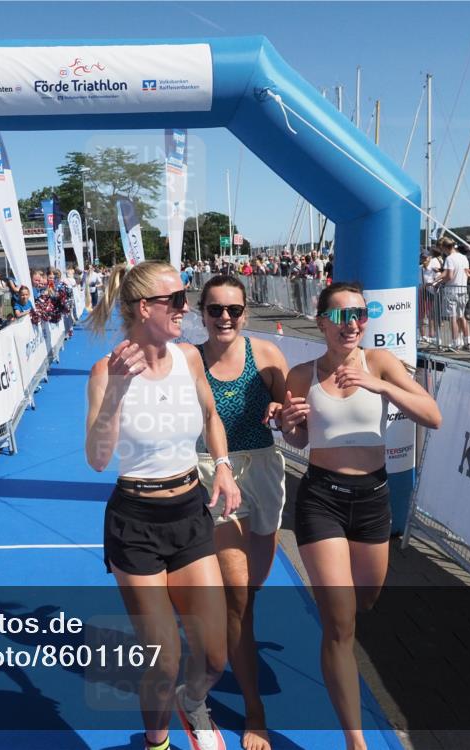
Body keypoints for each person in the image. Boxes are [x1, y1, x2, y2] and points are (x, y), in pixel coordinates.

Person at [85, 260, 240, 750]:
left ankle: (192, 702)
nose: (185, 308)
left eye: (184, 297)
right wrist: (117, 392)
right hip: (136, 523)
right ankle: (158, 742)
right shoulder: (105, 371)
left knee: (214, 657)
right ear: (141, 308)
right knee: (164, 659)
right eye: (175, 300)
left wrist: (222, 465)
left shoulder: (189, 358)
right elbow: (97, 459)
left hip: (190, 514)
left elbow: (211, 417)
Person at [280, 282, 440, 750]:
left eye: (360, 315)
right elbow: (297, 440)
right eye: (341, 315)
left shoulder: (381, 363)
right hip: (321, 500)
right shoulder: (302, 374)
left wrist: (381, 385)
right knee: (340, 623)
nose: (352, 324)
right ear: (322, 321)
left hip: (372, 499)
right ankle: (356, 740)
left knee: (365, 599)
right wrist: (289, 425)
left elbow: (433, 416)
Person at [195, 275, 289, 750]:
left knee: (253, 588)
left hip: (265, 471)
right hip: (212, 471)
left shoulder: (267, 355)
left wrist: (281, 409)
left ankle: (221, 635)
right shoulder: (190, 359)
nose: (225, 317)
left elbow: (293, 421)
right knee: (239, 598)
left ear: (245, 312)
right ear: (202, 313)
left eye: (233, 309)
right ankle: (255, 712)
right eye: (215, 309)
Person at [434, 236, 470, 350]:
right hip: (463, 290)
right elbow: (466, 273)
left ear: (444, 247)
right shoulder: (463, 257)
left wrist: (437, 282)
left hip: (451, 290)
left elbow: (449, 275)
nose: (442, 252)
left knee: (452, 318)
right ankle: (467, 340)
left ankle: (455, 342)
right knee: (462, 316)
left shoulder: (449, 258)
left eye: (441, 249)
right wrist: (437, 280)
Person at [418, 251, 441, 345]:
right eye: (422, 257)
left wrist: (433, 284)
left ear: (430, 258)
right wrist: (422, 286)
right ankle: (423, 336)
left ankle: (432, 335)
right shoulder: (419, 268)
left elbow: (439, 279)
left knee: (431, 314)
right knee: (421, 314)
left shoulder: (433, 268)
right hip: (422, 292)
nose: (424, 259)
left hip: (432, 292)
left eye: (426, 257)